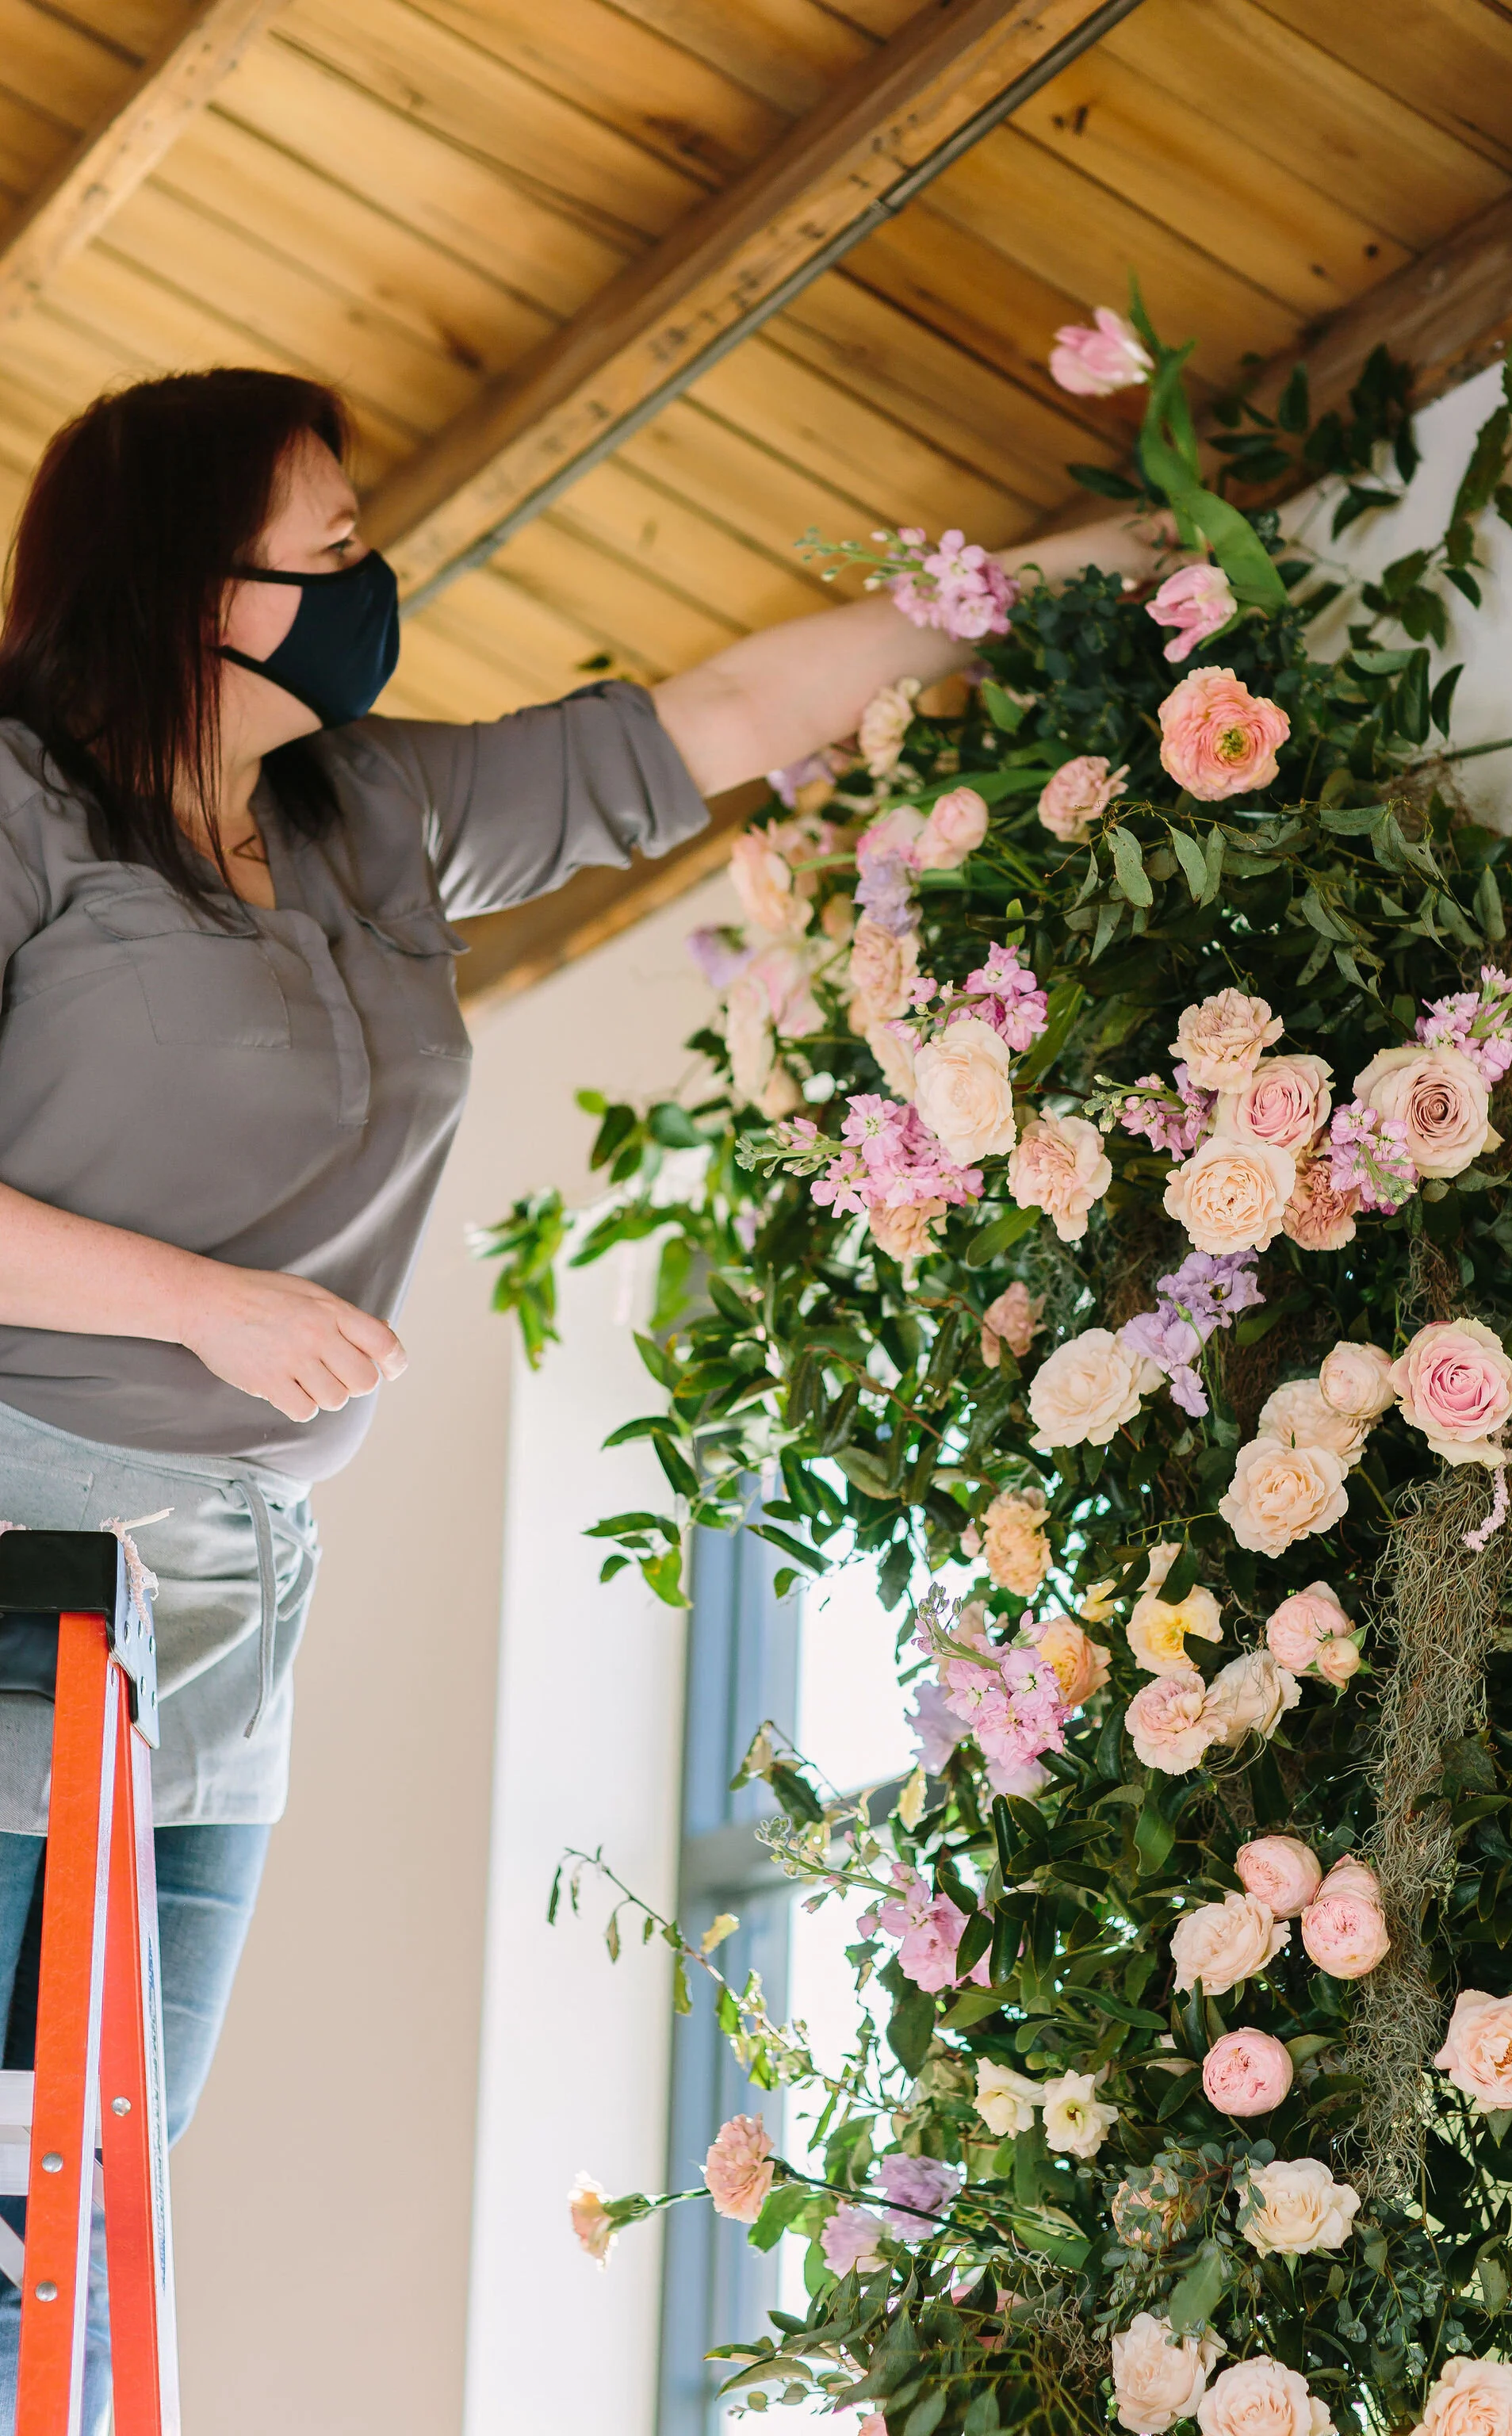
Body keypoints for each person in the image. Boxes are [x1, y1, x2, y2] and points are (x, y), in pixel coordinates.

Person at [0, 366, 1152, 2420]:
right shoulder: (18, 805)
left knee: (110, 2188)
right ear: (187, 582)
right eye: (333, 553)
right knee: (11, 2183)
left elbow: (708, 725)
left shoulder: (370, 820)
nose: (377, 586)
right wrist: (199, 1304)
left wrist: (1041, 586)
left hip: (234, 1579)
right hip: (22, 1534)